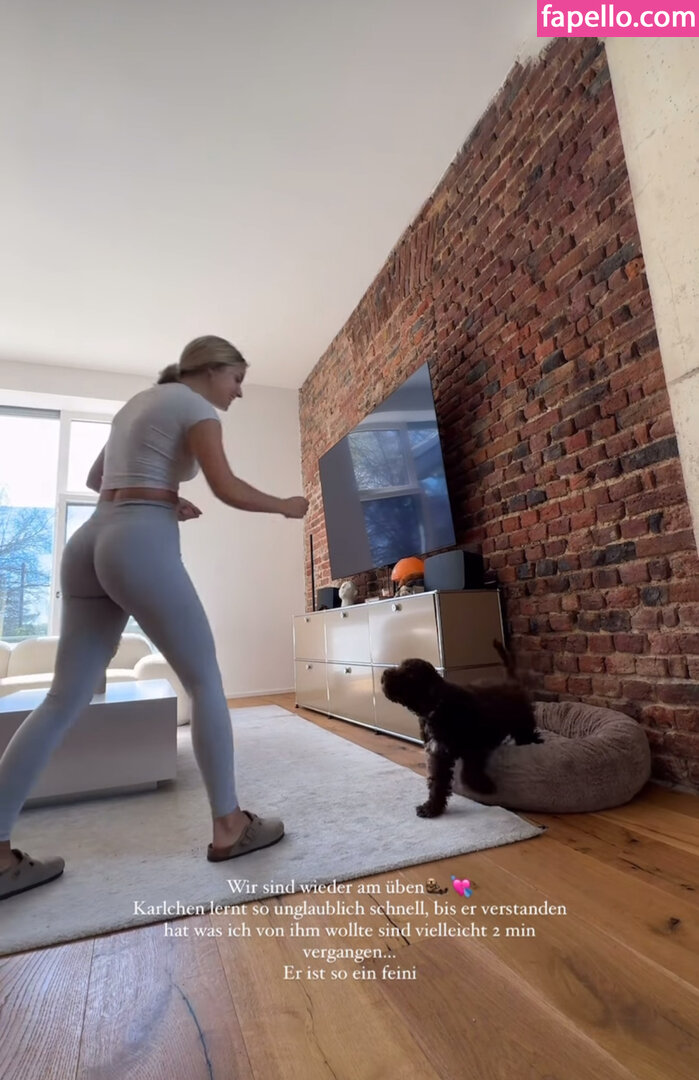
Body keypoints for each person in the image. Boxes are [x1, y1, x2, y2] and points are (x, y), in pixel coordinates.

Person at [0, 335, 308, 901]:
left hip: (88, 542)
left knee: (62, 698)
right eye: (237, 379)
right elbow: (227, 487)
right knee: (205, 681)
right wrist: (285, 506)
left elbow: (97, 481)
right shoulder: (194, 406)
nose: (239, 392)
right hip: (137, 544)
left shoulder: (138, 403)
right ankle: (229, 826)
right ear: (211, 370)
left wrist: (167, 497)